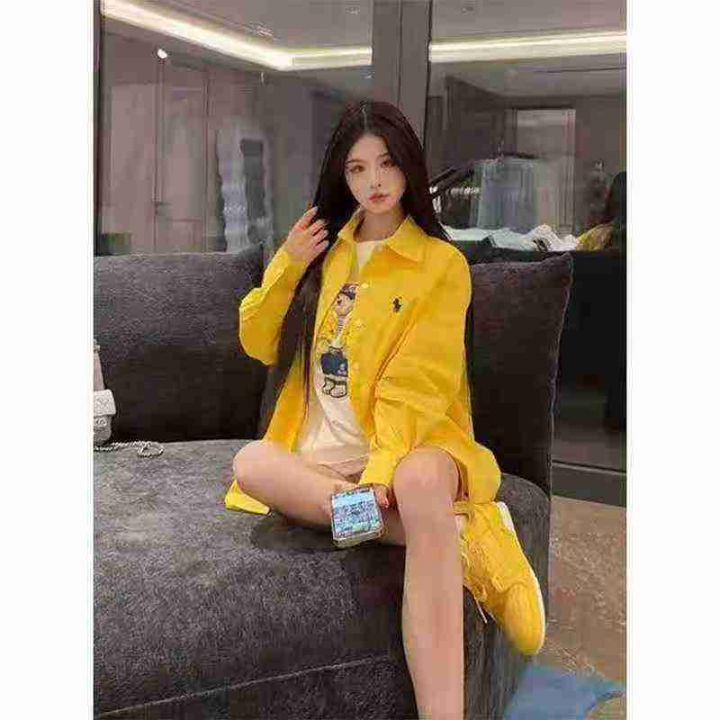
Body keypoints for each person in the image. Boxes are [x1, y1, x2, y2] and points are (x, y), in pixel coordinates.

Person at [226, 100, 545, 719]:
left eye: (387, 163)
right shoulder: (324, 255)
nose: (373, 181)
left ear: (408, 167)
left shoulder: (440, 265)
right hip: (326, 466)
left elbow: (418, 383)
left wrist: (381, 473)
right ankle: (464, 536)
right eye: (357, 168)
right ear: (341, 176)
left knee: (419, 481)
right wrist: (289, 263)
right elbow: (258, 341)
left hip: (411, 446)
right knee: (251, 465)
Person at [576, 171, 627, 251]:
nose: (598, 186)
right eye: (595, 182)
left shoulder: (601, 235)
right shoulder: (597, 234)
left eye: (602, 182)